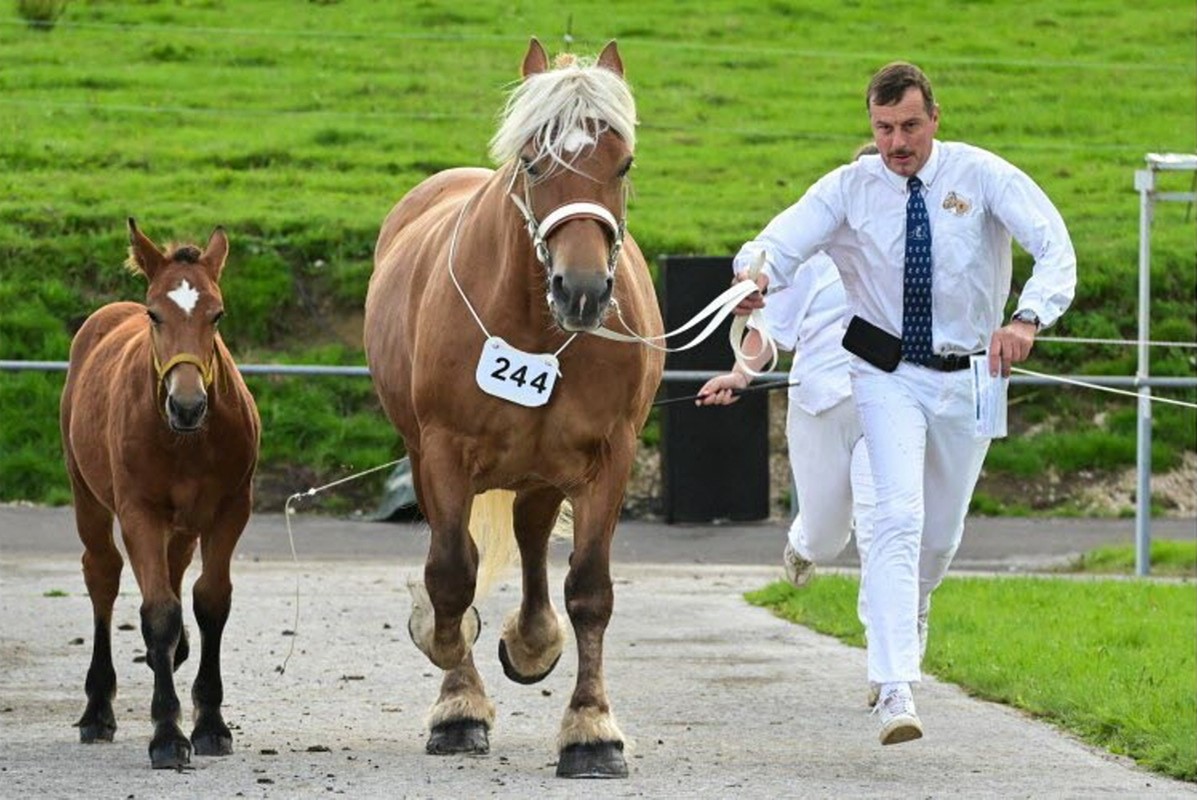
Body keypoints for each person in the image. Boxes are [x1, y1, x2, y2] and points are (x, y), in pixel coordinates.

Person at [730, 61, 1077, 746]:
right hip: (885, 374)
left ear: (934, 119)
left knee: (939, 537)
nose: (896, 143)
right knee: (895, 517)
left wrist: (1027, 318)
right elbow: (778, 241)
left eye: (909, 126)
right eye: (884, 128)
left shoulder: (981, 176)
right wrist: (755, 274)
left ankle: (913, 605)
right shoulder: (848, 188)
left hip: (971, 376)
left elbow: (1053, 245)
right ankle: (894, 685)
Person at [696, 146, 879, 670]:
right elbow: (769, 330)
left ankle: (887, 658)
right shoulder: (809, 257)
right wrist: (741, 373)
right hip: (819, 405)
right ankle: (803, 542)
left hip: (887, 404)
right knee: (826, 536)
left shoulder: (914, 254)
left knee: (882, 528)